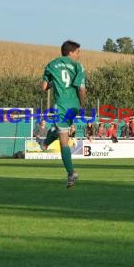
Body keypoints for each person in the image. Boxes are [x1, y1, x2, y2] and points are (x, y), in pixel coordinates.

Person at [41, 40, 87, 188]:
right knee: (62, 131)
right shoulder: (78, 66)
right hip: (73, 106)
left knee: (63, 142)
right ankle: (46, 142)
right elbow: (81, 89)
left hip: (61, 106)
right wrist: (81, 104)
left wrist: (54, 82)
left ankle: (71, 173)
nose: (78, 55)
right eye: (77, 52)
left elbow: (44, 87)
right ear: (70, 52)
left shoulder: (52, 64)